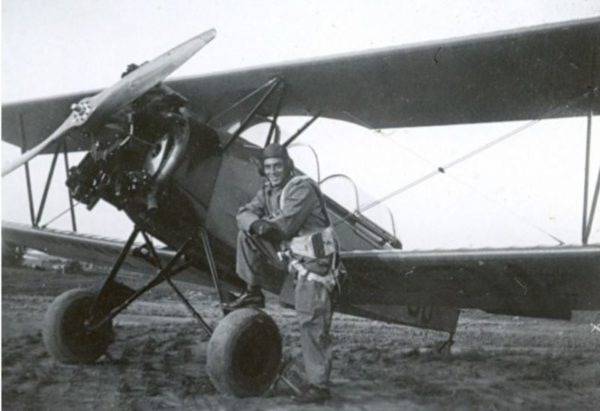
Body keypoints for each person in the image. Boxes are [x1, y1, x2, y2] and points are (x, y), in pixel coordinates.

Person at [223, 142, 340, 403]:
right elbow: (243, 214)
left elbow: (284, 228)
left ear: (287, 166)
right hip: (294, 260)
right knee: (246, 234)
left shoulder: (301, 187)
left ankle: (319, 387)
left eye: (278, 166)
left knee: (311, 321)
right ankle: (252, 291)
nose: (274, 171)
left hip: (315, 265)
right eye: (268, 167)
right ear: (263, 170)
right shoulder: (268, 190)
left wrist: (260, 225)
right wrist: (256, 224)